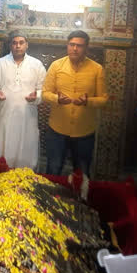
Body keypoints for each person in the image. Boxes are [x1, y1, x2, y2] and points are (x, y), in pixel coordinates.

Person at [42, 30, 108, 176]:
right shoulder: (56, 66)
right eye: (72, 44)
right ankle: (50, 197)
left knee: (82, 172)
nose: (75, 48)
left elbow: (104, 100)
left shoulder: (97, 69)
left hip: (84, 132)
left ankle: (80, 199)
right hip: (57, 130)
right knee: (53, 169)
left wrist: (88, 101)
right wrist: (57, 99)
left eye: (79, 45)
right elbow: (45, 94)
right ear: (67, 45)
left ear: (86, 48)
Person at [0, 30, 47, 170]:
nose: (18, 46)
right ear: (10, 45)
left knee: (26, 157)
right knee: (1, 154)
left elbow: (44, 91)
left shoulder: (37, 65)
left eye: (21, 43)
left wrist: (36, 96)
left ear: (27, 45)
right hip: (5, 117)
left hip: (27, 119)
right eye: (14, 43)